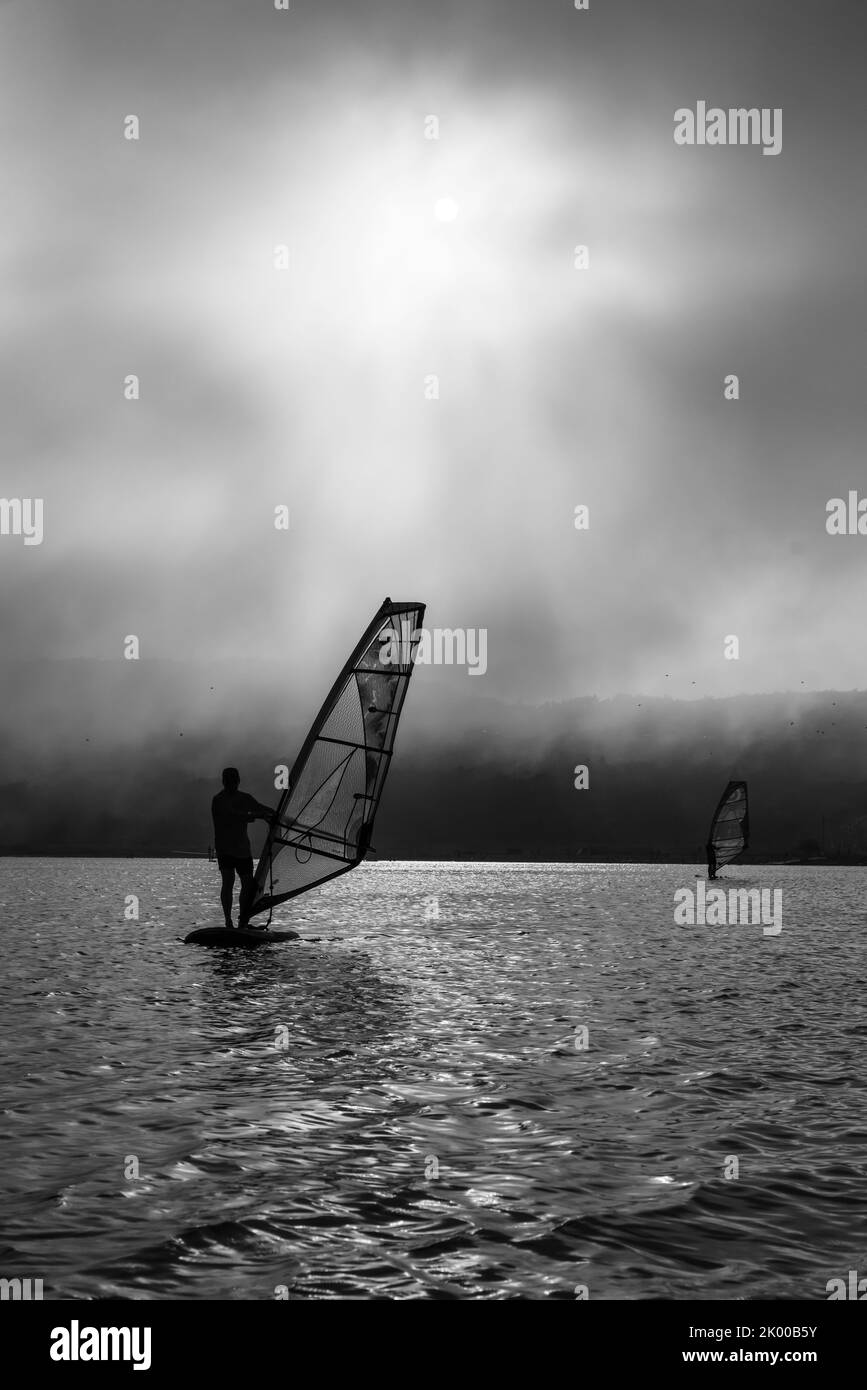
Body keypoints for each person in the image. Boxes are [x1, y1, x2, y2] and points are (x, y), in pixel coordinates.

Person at [211, 768, 276, 929]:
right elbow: (232, 814)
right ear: (223, 782)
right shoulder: (218, 800)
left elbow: (260, 807)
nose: (231, 784)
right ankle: (228, 921)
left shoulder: (245, 798)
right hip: (225, 849)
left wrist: (275, 814)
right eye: (228, 781)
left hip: (242, 850)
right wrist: (256, 816)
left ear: (238, 781)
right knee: (228, 882)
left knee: (247, 884)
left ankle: (242, 919)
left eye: (233, 781)